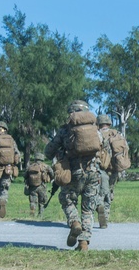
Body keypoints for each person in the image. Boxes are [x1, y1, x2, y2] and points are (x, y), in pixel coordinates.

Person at [46, 100, 104, 251]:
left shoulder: (65, 130)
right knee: (88, 208)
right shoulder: (95, 130)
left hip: (74, 172)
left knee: (66, 199)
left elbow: (49, 151)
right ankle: (84, 242)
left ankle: (74, 223)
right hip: (93, 173)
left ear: (71, 112)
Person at [95, 113, 130, 228]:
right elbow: (126, 149)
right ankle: (106, 217)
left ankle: (98, 205)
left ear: (98, 123)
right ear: (108, 123)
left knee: (98, 191)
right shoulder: (117, 134)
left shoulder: (97, 134)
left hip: (100, 168)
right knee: (109, 192)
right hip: (114, 169)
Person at [22, 151, 53, 218]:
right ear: (42, 158)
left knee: (33, 201)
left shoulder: (30, 166)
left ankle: (32, 213)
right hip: (42, 186)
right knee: (42, 201)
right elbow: (52, 174)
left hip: (32, 187)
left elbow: (25, 176)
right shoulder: (45, 166)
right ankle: (40, 215)